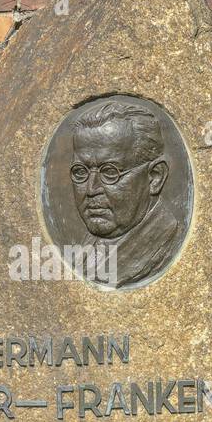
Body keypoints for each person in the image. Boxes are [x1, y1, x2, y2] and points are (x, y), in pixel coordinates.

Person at [69, 99, 181, 288]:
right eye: (81, 172)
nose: (91, 189)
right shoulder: (86, 249)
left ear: (155, 177)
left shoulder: (163, 245)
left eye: (110, 172)